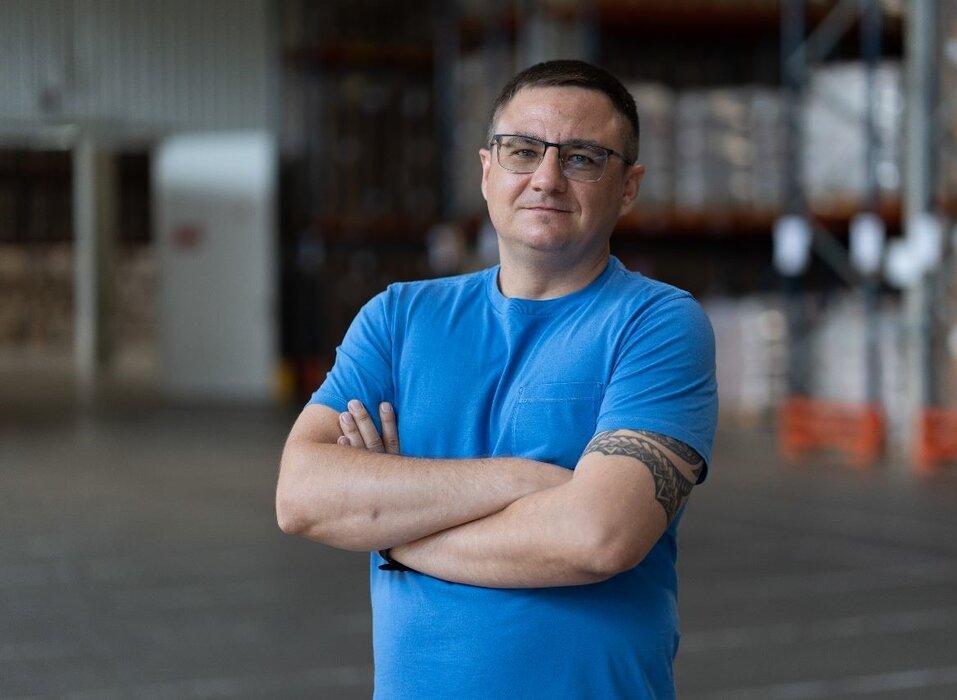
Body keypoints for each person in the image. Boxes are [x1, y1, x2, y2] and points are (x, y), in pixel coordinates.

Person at [276, 59, 718, 699]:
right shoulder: (399, 318)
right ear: (488, 171)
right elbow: (301, 495)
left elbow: (598, 536)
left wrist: (393, 534)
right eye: (523, 151)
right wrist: (521, 482)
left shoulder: (658, 325)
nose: (546, 178)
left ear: (628, 186)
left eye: (583, 158)